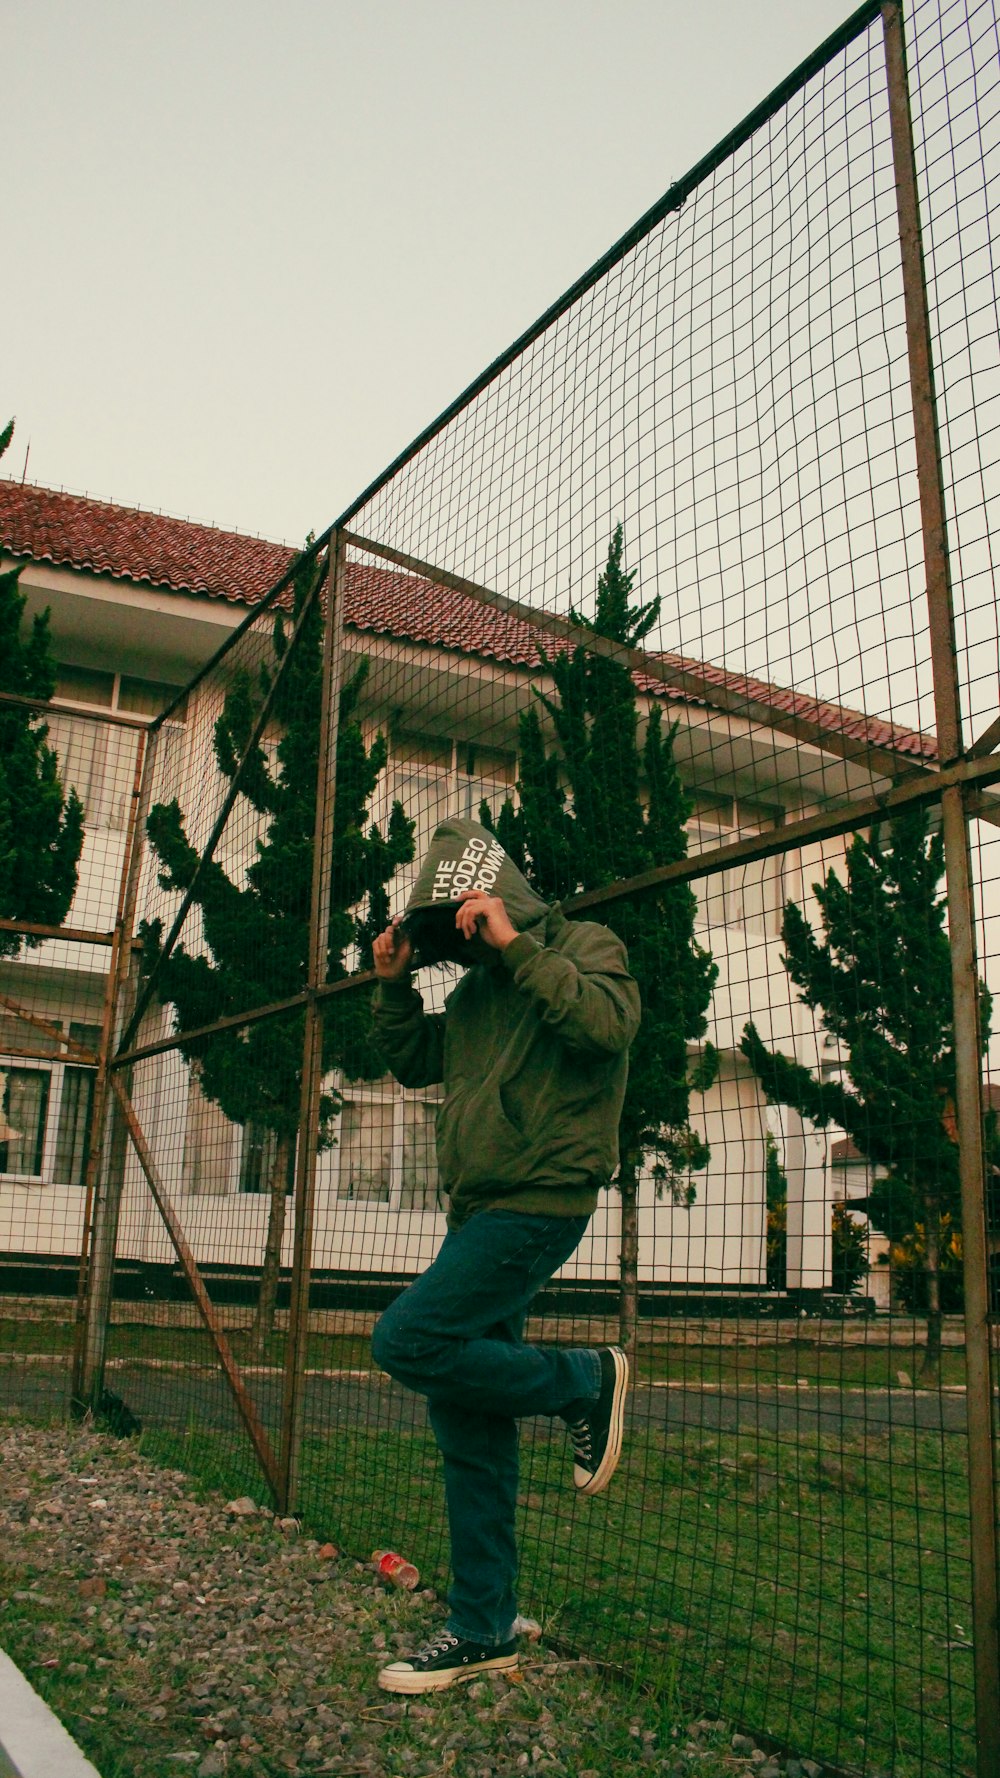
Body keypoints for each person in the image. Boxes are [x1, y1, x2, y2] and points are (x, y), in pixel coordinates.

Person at [369, 817, 640, 1694]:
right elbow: (416, 1064)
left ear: (500, 896)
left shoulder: (582, 944)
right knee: (466, 1417)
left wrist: (518, 945)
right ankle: (483, 1627)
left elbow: (606, 1027)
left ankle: (585, 1381)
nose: (464, 937)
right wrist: (394, 985)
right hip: (480, 1206)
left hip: (541, 1196)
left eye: (466, 916)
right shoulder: (479, 995)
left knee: (408, 1341)